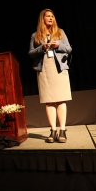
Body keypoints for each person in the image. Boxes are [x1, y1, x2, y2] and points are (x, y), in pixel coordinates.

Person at [28, 8, 72, 143]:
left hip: (59, 69)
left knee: (61, 99)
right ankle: (53, 130)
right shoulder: (35, 35)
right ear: (43, 19)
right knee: (49, 100)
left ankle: (63, 129)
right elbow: (31, 53)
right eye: (48, 16)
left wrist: (58, 45)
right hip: (45, 69)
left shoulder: (60, 32)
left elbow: (69, 49)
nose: (51, 18)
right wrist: (43, 48)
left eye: (52, 16)